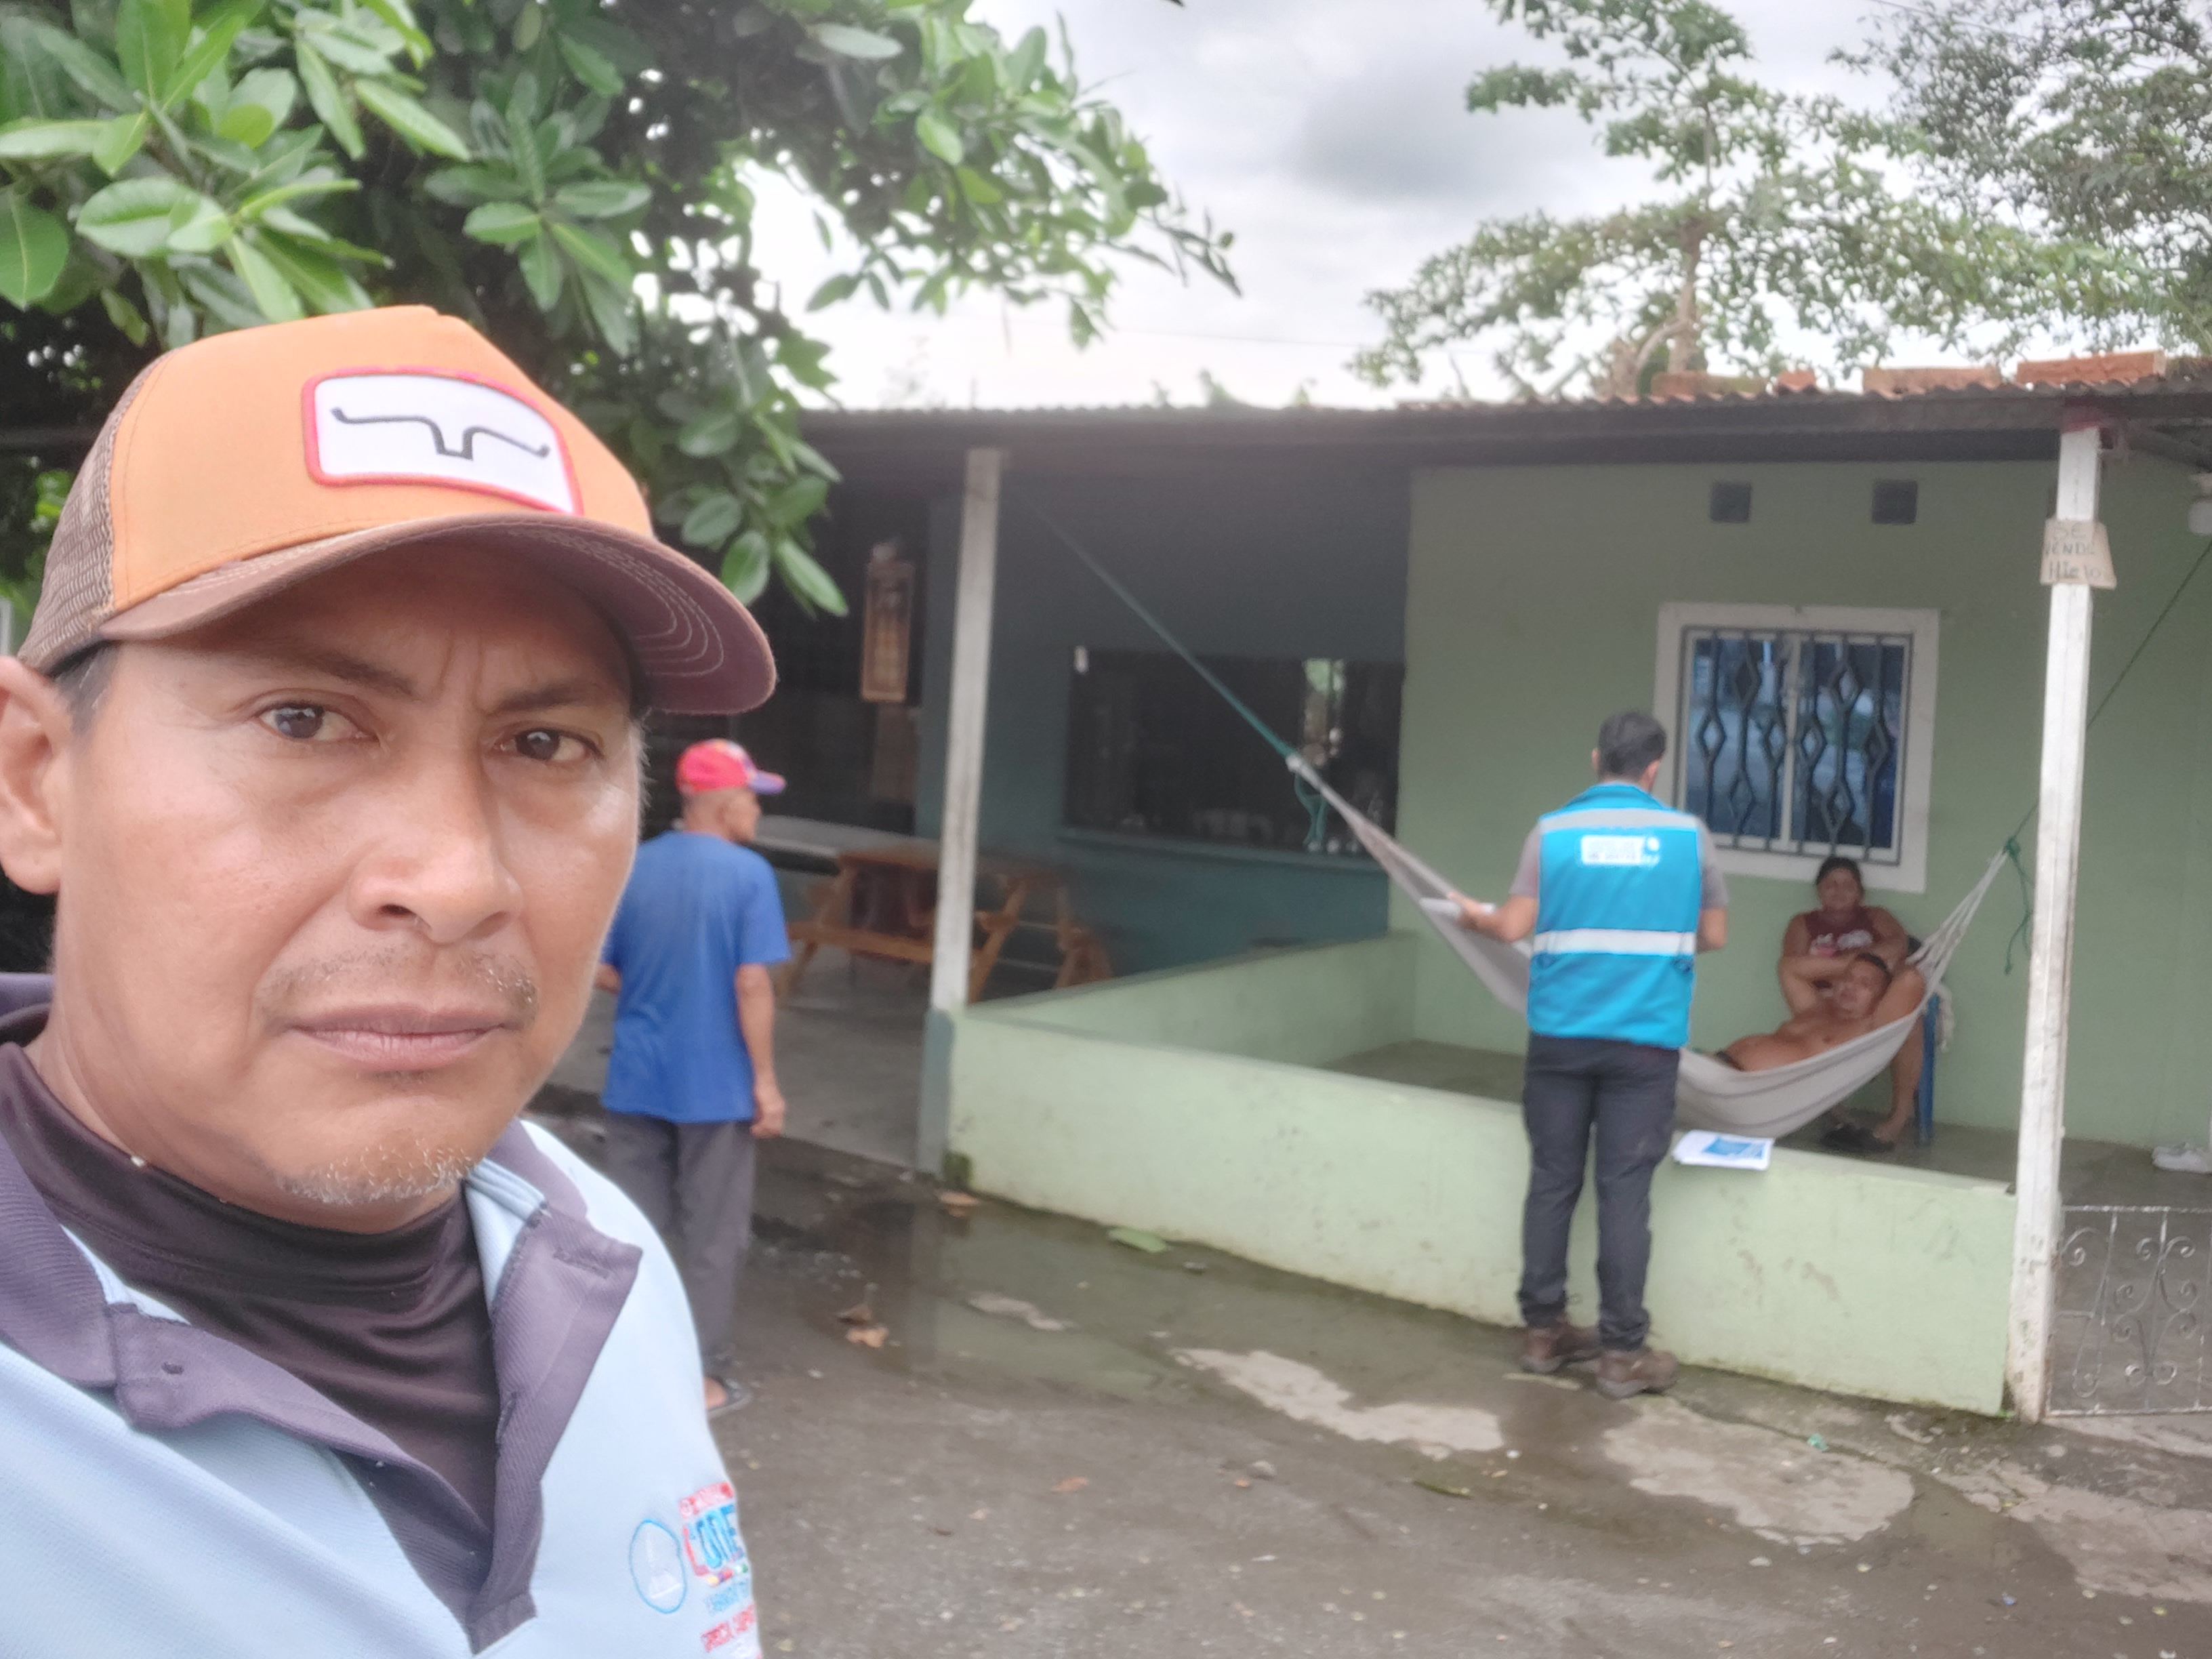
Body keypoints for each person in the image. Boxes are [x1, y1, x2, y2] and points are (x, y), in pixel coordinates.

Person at [0, 306, 781, 1654]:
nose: (459, 877)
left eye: (545, 743)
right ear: (35, 780)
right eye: (303, 719)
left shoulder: (602, 1258)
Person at [1453, 710, 1727, 1400]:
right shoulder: (1688, 838)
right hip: (1644, 1045)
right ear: (1654, 769)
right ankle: (1621, 1355)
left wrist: (1473, 916)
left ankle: (1543, 1335)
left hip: (1561, 1038)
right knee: (1624, 1190)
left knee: (1553, 1180)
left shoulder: (1552, 833)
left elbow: (1511, 927)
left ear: (1596, 758)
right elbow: (1715, 935)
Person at [596, 739, 792, 1416]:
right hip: (716, 1085)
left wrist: (654, 990)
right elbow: (751, 984)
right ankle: (701, 1380)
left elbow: (601, 967)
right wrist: (765, 1082)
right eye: (754, 800)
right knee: (714, 1236)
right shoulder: (749, 876)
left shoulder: (633, 866)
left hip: (637, 1075)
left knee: (634, 1227)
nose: (757, 813)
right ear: (726, 803)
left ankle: (626, 1367)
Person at [1778, 855, 1922, 1153]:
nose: (1839, 891)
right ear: (1819, 890)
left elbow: (1899, 946)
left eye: (1848, 885)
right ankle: (1833, 1109)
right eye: (1831, 884)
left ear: (1860, 893)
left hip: (1872, 1008)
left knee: (1912, 1022)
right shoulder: (1802, 923)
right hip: (1822, 1005)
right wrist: (1859, 966)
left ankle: (1898, 1118)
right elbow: (1795, 966)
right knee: (1789, 973)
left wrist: (1837, 970)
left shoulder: (1875, 916)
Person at [1719, 951, 1926, 1077]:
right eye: (1847, 978)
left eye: (1865, 984)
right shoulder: (1815, 1008)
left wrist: (1892, 965)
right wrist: (1852, 961)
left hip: (1751, 1088)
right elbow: (1789, 967)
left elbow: (1911, 980)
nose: (1851, 986)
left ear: (1881, 998)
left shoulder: (1871, 1027)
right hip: (1723, 1066)